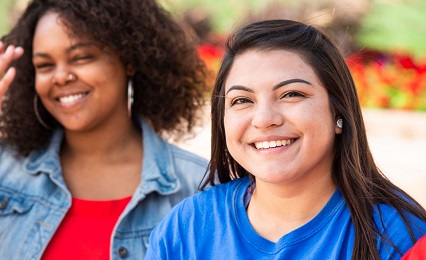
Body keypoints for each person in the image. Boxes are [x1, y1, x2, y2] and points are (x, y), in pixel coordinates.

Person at [145, 19, 426, 259]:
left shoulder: (396, 235)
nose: (265, 118)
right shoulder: (188, 226)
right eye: (242, 100)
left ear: (338, 111)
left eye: (291, 94)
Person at [0, 0, 209, 259]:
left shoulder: (202, 188)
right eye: (45, 65)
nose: (61, 76)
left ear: (128, 59)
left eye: (81, 57)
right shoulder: (5, 171)